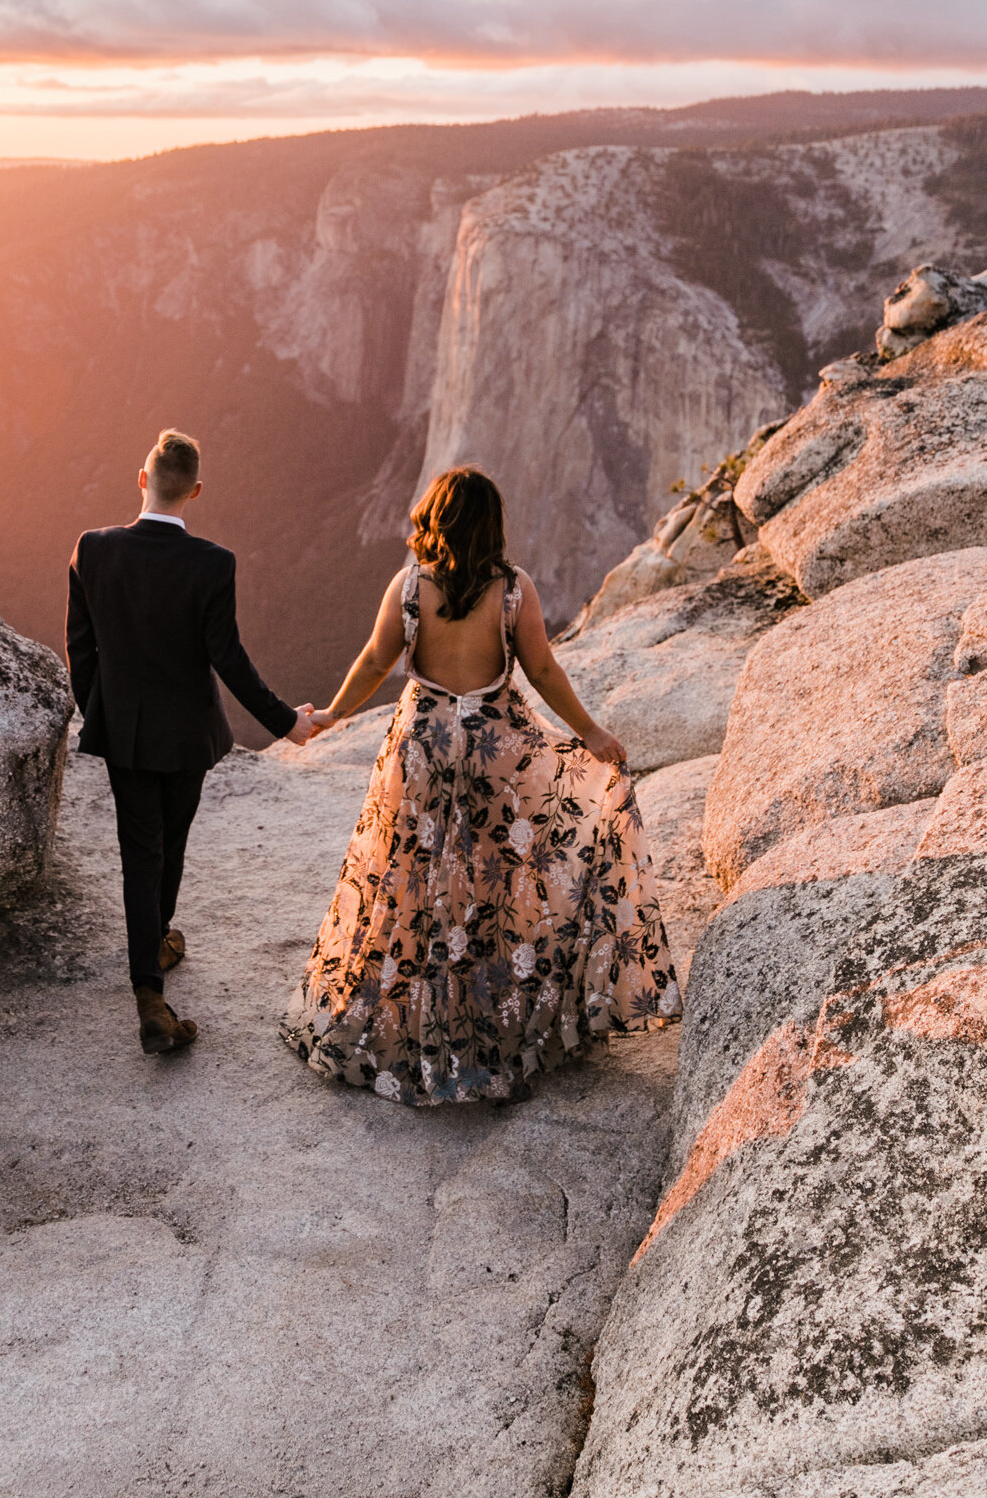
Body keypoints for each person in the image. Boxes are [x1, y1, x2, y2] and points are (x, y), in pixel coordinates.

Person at [282, 465, 679, 1105]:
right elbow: (542, 670)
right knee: (499, 881)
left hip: (423, 749)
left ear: (434, 518)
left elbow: (375, 660)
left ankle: (402, 1025)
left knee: (409, 880)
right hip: (497, 750)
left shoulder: (410, 586)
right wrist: (593, 734)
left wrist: (331, 715)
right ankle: (497, 1028)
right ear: (492, 524)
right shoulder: (513, 590)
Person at [67, 429, 316, 1057]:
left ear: (141, 478)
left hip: (124, 731)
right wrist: (287, 721)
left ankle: (149, 985)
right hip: (188, 735)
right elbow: (226, 658)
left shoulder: (92, 551)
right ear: (196, 491)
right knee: (171, 839)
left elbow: (81, 647)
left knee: (138, 853)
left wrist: (103, 712)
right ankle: (154, 957)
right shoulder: (212, 563)